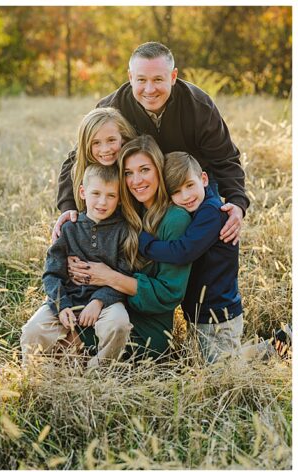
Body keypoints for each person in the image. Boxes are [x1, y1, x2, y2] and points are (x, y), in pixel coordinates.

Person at [54, 42, 246, 246]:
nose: (149, 89)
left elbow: (225, 158)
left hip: (189, 183)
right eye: (141, 80)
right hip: (139, 186)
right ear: (130, 77)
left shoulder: (198, 106)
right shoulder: (112, 108)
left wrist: (237, 203)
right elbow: (78, 157)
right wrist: (68, 206)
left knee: (219, 228)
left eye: (158, 79)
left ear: (173, 77)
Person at [136, 152, 290, 362]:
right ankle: (281, 341)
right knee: (223, 360)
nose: (186, 196)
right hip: (204, 312)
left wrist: (144, 243)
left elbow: (183, 252)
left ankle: (282, 345)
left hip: (218, 312)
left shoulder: (212, 213)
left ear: (204, 179)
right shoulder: (198, 210)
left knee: (223, 369)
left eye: (190, 185)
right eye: (177, 191)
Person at [67, 135, 192, 361]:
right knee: (51, 336)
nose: (136, 180)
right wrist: (69, 258)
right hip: (104, 307)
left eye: (144, 169)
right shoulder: (125, 210)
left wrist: (109, 277)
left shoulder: (175, 219)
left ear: (159, 170)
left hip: (145, 327)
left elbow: (170, 292)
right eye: (128, 173)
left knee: (68, 347)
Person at [21, 165, 132, 368]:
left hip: (106, 300)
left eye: (111, 195)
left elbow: (124, 273)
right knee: (33, 330)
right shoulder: (69, 228)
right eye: (96, 193)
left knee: (119, 324)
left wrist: (98, 301)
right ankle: (38, 379)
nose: (102, 202)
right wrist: (61, 306)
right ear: (82, 192)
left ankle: (98, 372)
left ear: (120, 198)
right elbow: (51, 273)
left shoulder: (123, 232)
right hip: (67, 297)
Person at [66, 108, 137, 212]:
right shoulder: (80, 172)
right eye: (96, 143)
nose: (105, 149)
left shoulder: (132, 166)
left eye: (111, 140)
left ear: (123, 138)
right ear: (86, 145)